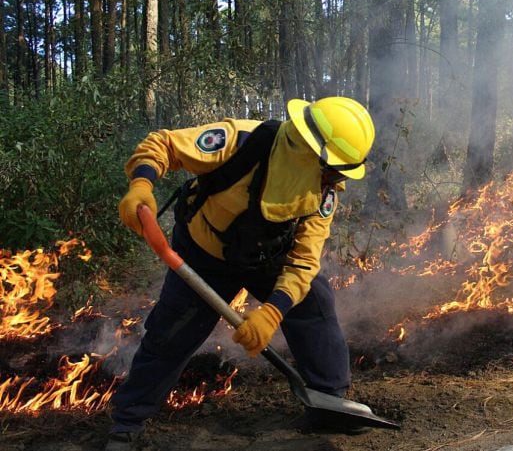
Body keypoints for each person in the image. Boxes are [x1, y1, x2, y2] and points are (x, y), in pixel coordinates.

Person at [106, 97, 375, 450]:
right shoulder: (241, 140)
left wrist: (272, 312)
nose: (336, 181)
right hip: (204, 255)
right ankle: (128, 420)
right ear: (307, 150)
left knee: (314, 301)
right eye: (334, 170)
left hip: (266, 258)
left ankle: (331, 405)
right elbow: (164, 145)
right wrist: (140, 185)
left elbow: (304, 263)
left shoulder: (322, 193)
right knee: (172, 332)